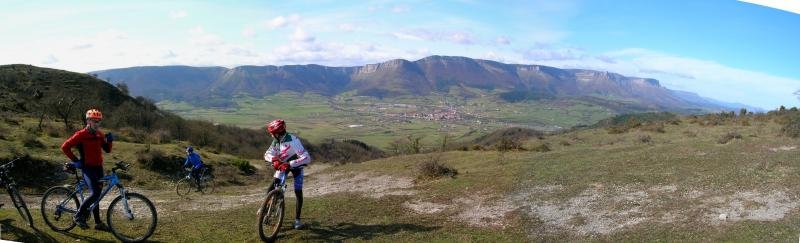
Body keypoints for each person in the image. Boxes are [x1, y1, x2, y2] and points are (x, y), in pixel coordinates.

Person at [61, 108, 113, 230]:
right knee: (95, 193)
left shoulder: (99, 134)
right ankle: (79, 216)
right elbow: (65, 147)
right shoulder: (80, 135)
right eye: (94, 121)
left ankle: (98, 223)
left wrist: (109, 141)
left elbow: (107, 150)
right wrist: (76, 161)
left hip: (98, 168)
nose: (97, 124)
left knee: (97, 195)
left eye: (99, 121)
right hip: (87, 168)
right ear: (88, 121)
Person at [263, 119, 311, 230]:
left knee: (298, 192)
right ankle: (265, 208)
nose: (271, 135)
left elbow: (307, 158)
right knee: (273, 185)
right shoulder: (277, 140)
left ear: (278, 133)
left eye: (272, 133)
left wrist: (290, 164)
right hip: (283, 164)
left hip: (297, 166)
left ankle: (297, 221)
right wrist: (274, 159)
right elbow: (267, 154)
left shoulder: (293, 141)